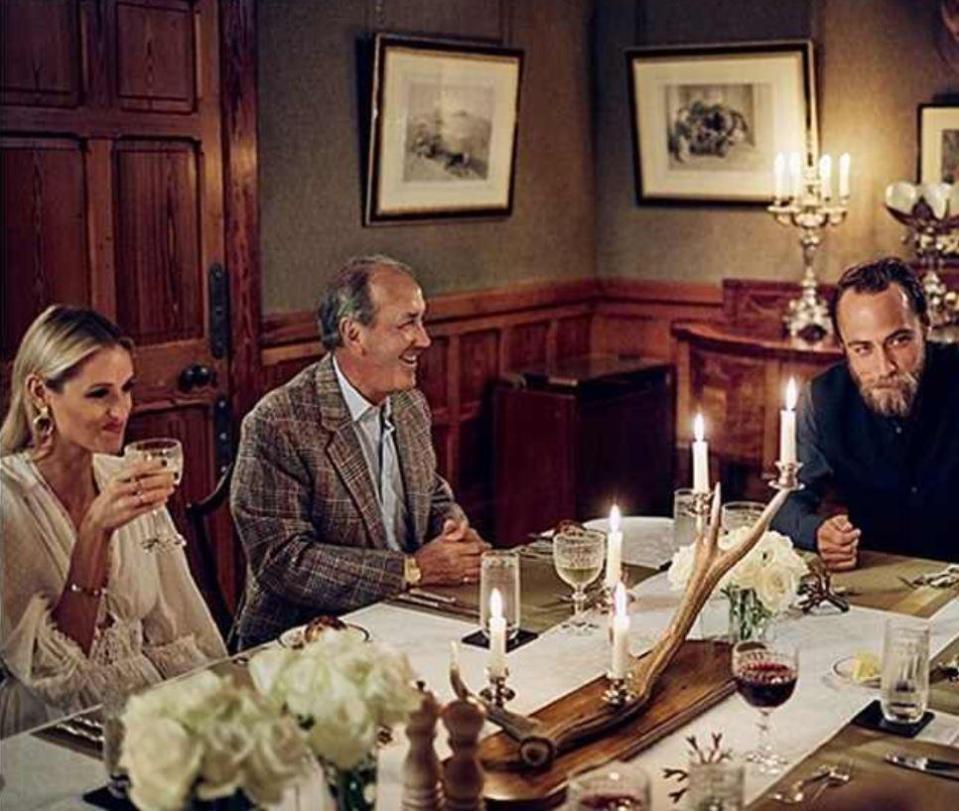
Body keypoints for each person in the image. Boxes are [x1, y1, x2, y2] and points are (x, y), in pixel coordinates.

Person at [232, 255, 488, 647]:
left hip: (408, 619)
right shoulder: (278, 423)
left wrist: (453, 532)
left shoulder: (409, 404)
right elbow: (284, 561)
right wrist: (412, 570)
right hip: (307, 645)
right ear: (354, 334)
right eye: (407, 323)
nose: (424, 339)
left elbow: (431, 493)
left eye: (421, 321)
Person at [0, 306, 226, 737]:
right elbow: (55, 676)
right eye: (99, 394)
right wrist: (95, 531)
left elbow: (177, 623)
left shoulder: (123, 475)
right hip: (54, 725)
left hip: (148, 708)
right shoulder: (8, 501)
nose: (121, 411)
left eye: (126, 389)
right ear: (40, 393)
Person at [773, 258, 959, 568]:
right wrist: (818, 533)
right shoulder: (821, 399)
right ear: (843, 346)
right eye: (862, 348)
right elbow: (786, 505)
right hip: (873, 577)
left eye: (899, 341)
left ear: (925, 326)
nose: (884, 367)